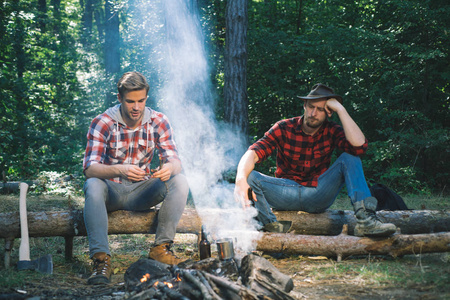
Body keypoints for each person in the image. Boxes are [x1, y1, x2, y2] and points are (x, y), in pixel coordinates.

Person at [234, 83, 396, 237]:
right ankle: (270, 228)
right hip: (285, 192)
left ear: (328, 112)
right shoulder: (284, 127)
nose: (313, 113)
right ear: (304, 105)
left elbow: (360, 147)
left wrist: (341, 109)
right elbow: (255, 151)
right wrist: (240, 177)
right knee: (251, 175)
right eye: (311, 107)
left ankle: (366, 221)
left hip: (318, 193)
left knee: (350, 157)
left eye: (320, 109)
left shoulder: (332, 130)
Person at [82, 71, 189, 285]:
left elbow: (176, 161)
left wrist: (170, 167)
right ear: (120, 98)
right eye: (130, 101)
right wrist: (120, 170)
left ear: (146, 98)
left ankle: (161, 249)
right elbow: (90, 169)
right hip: (111, 192)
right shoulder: (103, 122)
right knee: (92, 185)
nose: (136, 107)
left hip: (142, 192)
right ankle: (101, 261)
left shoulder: (158, 121)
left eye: (141, 101)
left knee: (180, 180)